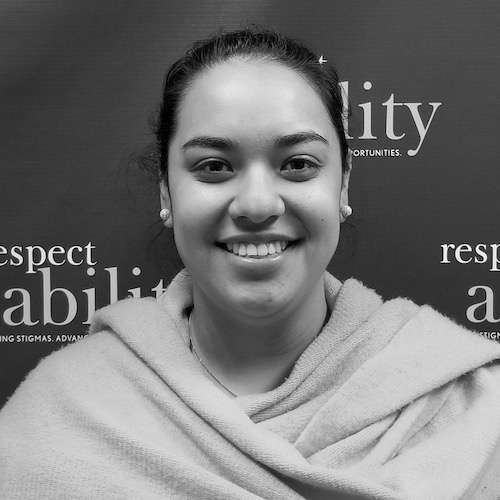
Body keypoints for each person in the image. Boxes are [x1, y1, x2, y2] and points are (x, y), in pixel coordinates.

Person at [1, 28, 500, 500]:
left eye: (298, 164)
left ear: (343, 185)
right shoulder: (62, 414)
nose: (258, 205)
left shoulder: (473, 409)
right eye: (214, 167)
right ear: (166, 193)